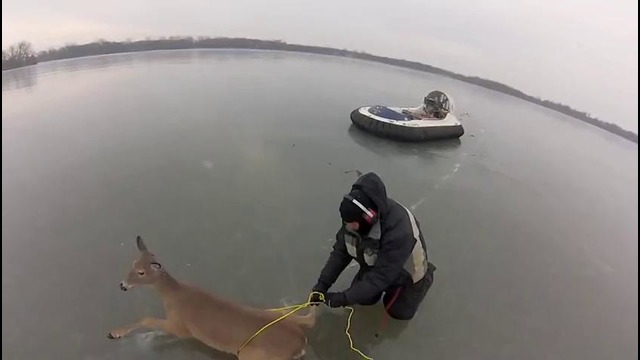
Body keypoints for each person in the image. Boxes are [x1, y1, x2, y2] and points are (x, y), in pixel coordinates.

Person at [310, 172, 436, 320]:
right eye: (346, 222)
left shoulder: (400, 232)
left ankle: (424, 280)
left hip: (405, 274)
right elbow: (340, 253)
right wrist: (322, 285)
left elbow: (380, 277)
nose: (348, 226)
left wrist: (342, 298)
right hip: (375, 262)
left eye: (352, 223)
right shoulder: (353, 221)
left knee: (398, 313)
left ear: (369, 217)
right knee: (363, 298)